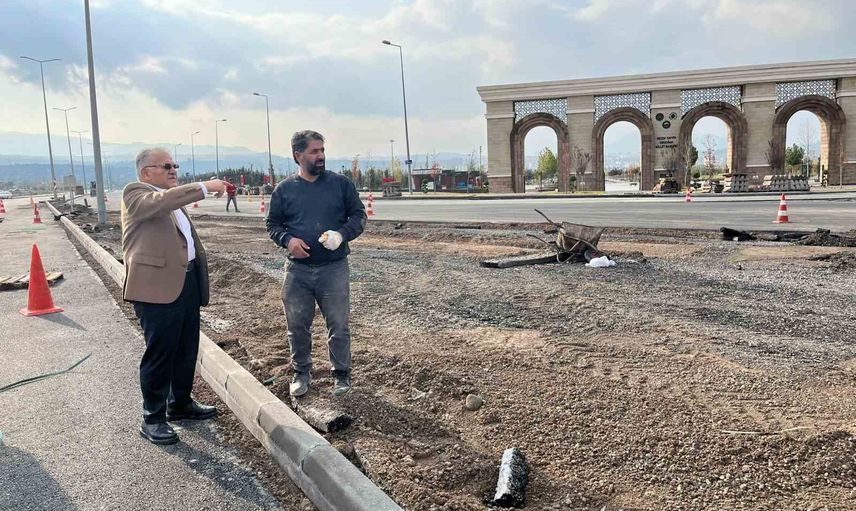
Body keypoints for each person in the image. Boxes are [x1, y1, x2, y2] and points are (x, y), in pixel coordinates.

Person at [121, 147, 227, 445]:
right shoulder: (136, 194)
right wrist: (204, 187)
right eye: (166, 166)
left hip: (186, 282)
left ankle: (179, 403)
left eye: (174, 165)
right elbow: (157, 204)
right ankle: (152, 418)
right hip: (155, 288)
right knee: (160, 353)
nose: (173, 170)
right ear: (146, 172)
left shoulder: (169, 197)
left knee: (185, 348)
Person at [266, 130, 366, 397]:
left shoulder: (340, 185)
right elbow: (273, 224)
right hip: (297, 271)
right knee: (297, 325)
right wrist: (288, 240)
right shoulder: (284, 190)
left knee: (338, 324)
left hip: (333, 268)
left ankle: (341, 374)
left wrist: (341, 235)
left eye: (322, 150)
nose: (321, 156)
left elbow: (358, 216)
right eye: (314, 151)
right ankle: (301, 372)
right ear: (298, 155)